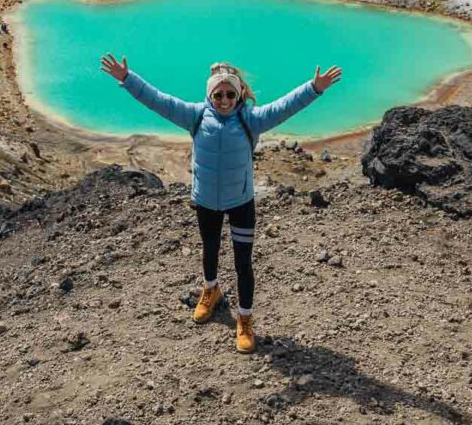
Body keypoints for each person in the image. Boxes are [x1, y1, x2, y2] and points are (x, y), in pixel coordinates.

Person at [100, 54, 342, 353]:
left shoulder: (250, 119)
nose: (224, 100)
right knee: (210, 248)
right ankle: (211, 290)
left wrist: (314, 88)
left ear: (239, 94)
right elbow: (158, 100)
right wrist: (127, 78)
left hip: (241, 201)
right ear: (209, 95)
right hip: (205, 201)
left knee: (243, 263)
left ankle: (245, 319)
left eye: (230, 94)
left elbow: (285, 106)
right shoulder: (195, 116)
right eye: (218, 94)